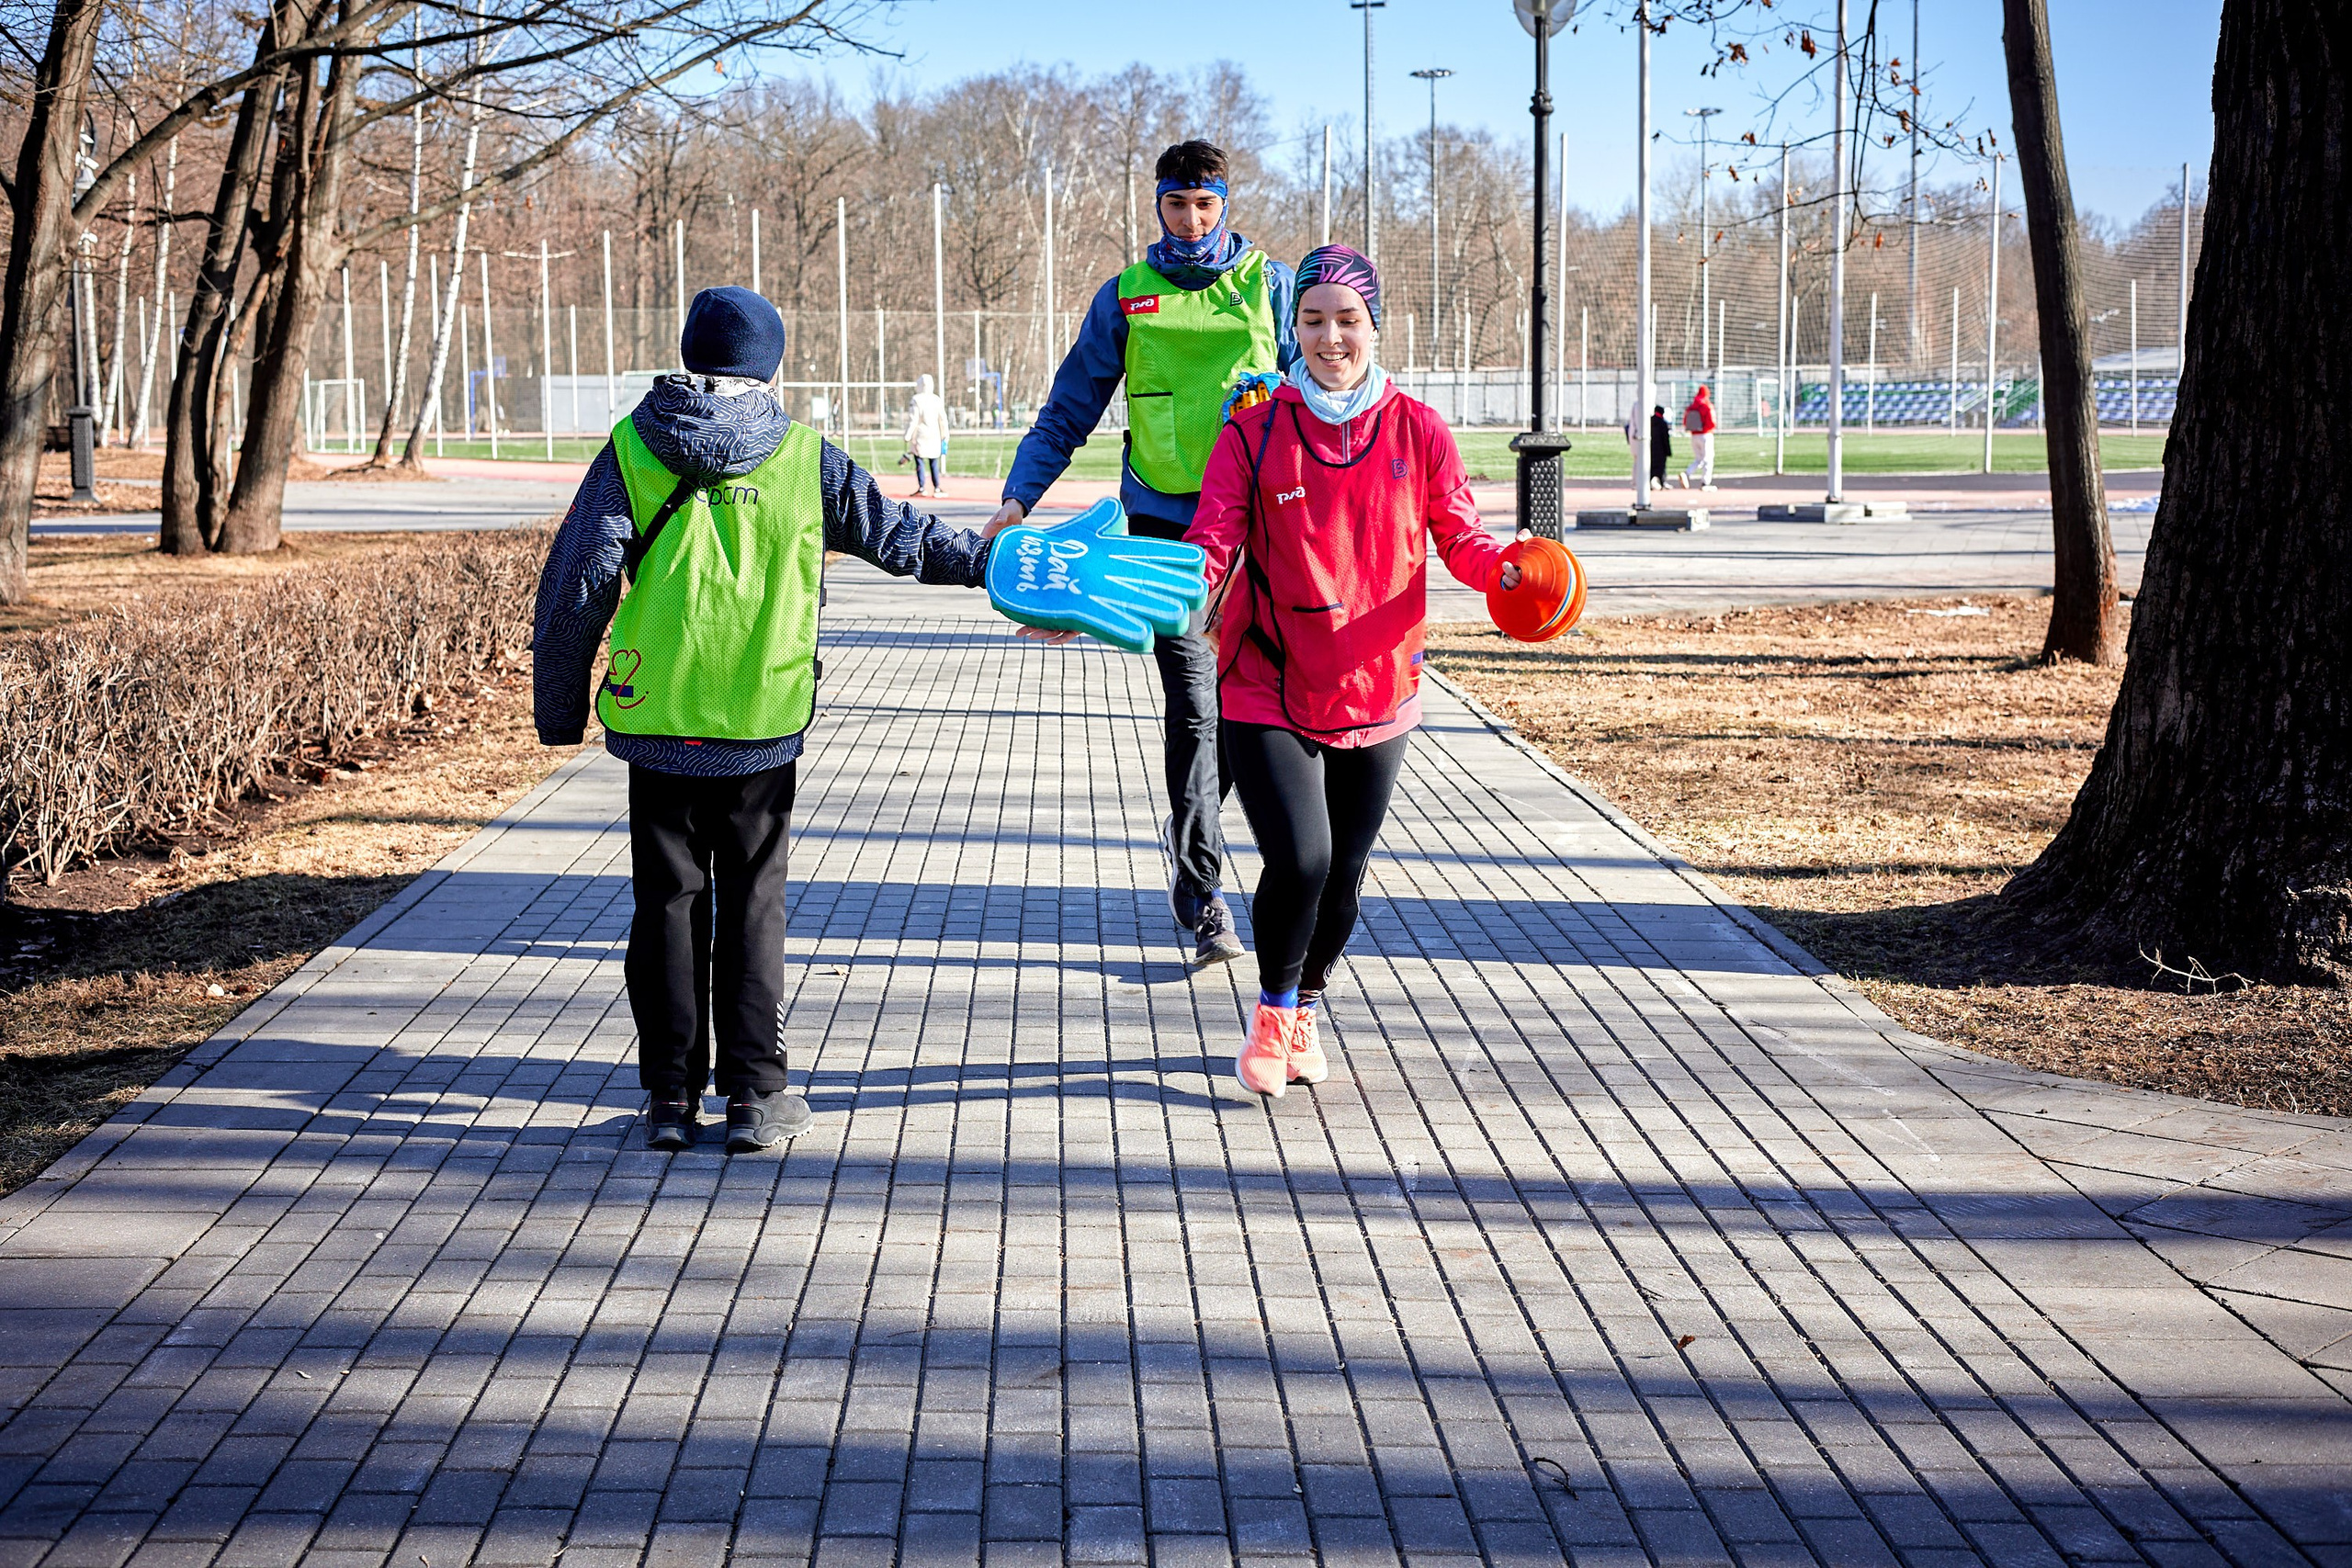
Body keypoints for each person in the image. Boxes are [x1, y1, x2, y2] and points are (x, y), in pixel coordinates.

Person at [534, 287, 998, 1154]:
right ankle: (754, 1094)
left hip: (659, 711)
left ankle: (670, 1099)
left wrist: (558, 710)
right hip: (759, 715)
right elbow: (900, 536)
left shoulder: (633, 447)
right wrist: (991, 563)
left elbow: (578, 583)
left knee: (666, 904)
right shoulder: (802, 457)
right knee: (753, 903)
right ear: (771, 363)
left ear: (686, 351)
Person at [1186, 245, 1516, 1099]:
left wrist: (1508, 572)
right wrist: (1109, 601)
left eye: (1348, 319)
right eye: (1313, 319)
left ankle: (1307, 1001)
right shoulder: (1253, 430)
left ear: (1375, 326)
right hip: (1265, 679)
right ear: (1293, 328)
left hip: (1380, 684)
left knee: (1341, 880)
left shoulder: (1419, 429)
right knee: (1300, 857)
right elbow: (1209, 545)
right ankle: (1271, 1009)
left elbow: (1462, 537)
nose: (1331, 337)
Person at [985, 139, 1297, 968]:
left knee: (1249, 708)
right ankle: (1203, 893)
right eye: (1175, 204)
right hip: (1163, 535)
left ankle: (1189, 819)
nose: (1190, 221)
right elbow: (1068, 409)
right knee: (1195, 704)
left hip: (1259, 531)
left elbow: (1317, 403)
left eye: (1204, 205)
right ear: (1156, 205)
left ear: (1226, 204)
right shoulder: (1127, 297)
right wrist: (1019, 497)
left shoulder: (1271, 286)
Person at [904, 372, 949, 496]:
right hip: (934, 435)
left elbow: (913, 420)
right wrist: (945, 434)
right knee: (934, 462)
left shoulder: (916, 399)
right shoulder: (936, 399)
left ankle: (922, 487)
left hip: (920, 435)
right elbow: (942, 419)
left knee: (919, 461)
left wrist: (907, 435)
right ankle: (937, 487)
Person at [1679, 384, 1717, 491]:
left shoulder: (1692, 406)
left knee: (1699, 459)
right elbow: (1712, 422)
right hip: (1706, 434)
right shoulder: (1707, 405)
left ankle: (1687, 473)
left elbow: (1685, 421)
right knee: (1708, 459)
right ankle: (1705, 482)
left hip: (1694, 435)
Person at [1649, 403, 1673, 489]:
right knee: (1661, 467)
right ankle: (1662, 482)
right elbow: (1665, 439)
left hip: (1650, 448)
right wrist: (1668, 451)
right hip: (1661, 450)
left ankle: (1649, 482)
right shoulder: (1663, 424)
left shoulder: (1649, 421)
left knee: (1651, 466)